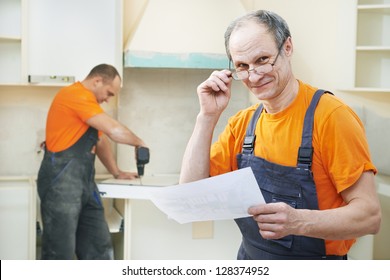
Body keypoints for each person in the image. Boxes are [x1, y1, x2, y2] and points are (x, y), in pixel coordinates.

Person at [179, 10, 381, 260]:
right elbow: (190, 196)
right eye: (242, 66)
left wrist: (299, 221)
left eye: (263, 59)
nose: (253, 76)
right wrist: (206, 117)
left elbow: (370, 217)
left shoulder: (331, 117)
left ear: (287, 47)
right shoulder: (242, 124)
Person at [37, 63, 147, 260]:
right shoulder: (76, 95)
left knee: (99, 248)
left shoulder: (89, 110)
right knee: (59, 252)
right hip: (60, 186)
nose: (108, 99)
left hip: (85, 185)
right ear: (97, 81)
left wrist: (117, 172)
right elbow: (113, 131)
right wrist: (139, 142)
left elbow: (101, 140)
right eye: (109, 92)